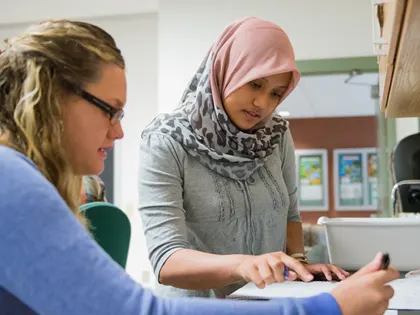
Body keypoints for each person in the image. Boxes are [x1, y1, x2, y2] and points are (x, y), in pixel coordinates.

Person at [0, 18, 397, 315]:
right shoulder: (13, 185)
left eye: (275, 93)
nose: (119, 133)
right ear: (50, 99)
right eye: (111, 112)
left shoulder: (20, 179)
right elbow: (135, 306)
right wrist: (325, 308)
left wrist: (305, 272)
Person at [138, 16, 347, 299]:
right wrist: (245, 265)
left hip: (267, 303)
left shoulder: (276, 135)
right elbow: (166, 260)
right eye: (255, 84)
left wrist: (300, 267)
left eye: (276, 93)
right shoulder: (166, 140)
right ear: (227, 71)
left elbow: (291, 214)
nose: (263, 104)